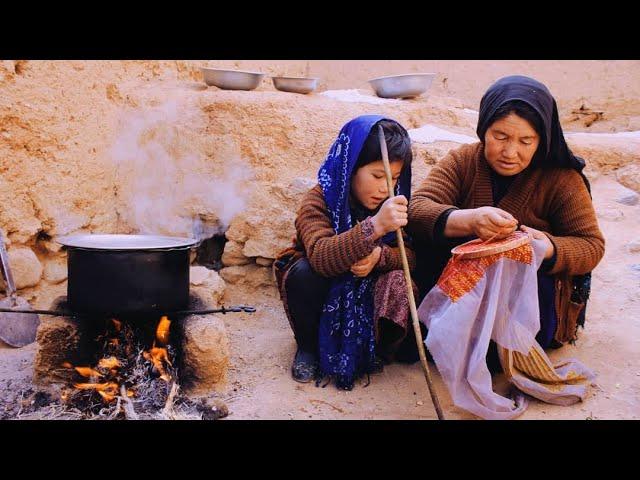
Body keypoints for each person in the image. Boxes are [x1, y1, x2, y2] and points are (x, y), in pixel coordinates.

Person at [407, 75, 605, 352]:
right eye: (500, 136)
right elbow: (417, 209)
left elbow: (591, 245)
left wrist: (546, 247)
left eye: (526, 141)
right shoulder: (464, 161)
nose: (510, 152)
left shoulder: (560, 178)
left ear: (543, 139)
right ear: (483, 129)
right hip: (461, 295)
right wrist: (470, 220)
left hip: (524, 309)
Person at [274, 115, 416, 390]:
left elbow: (410, 257)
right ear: (350, 168)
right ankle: (308, 348)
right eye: (377, 176)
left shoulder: (392, 203)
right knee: (303, 273)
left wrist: (379, 258)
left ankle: (375, 349)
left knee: (400, 281)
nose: (386, 187)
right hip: (324, 286)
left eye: (394, 178)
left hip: (366, 292)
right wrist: (373, 228)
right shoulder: (319, 200)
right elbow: (321, 256)